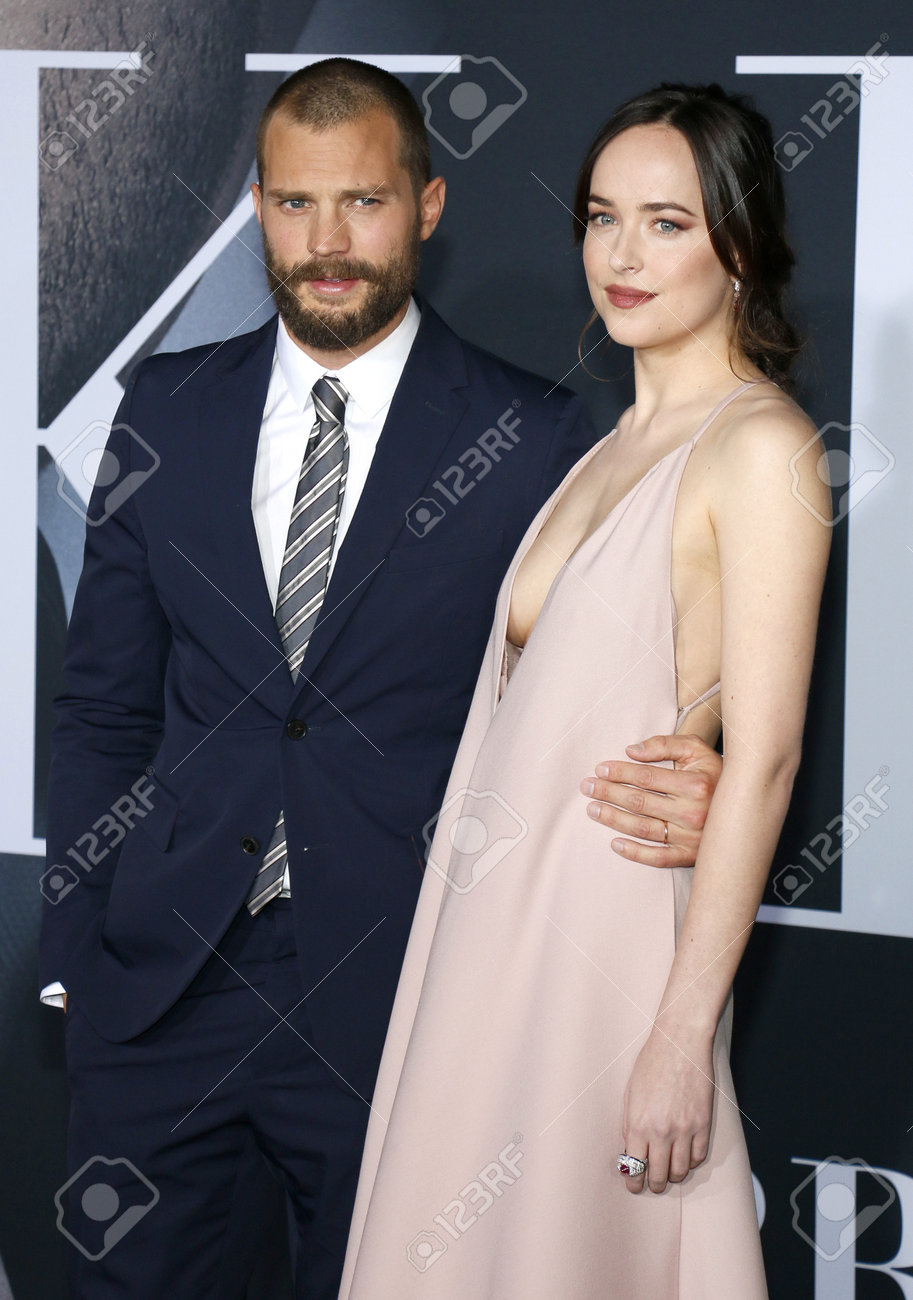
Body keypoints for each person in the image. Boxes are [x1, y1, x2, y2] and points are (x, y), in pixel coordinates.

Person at [41, 61, 724, 1299]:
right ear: (257, 206)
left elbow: (596, 704)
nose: (328, 243)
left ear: (427, 205)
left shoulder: (537, 438)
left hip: (409, 999)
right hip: (162, 995)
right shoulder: (166, 409)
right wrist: (86, 945)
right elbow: (100, 702)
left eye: (362, 202)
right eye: (296, 206)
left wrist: (694, 762)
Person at [340, 83, 832, 1298]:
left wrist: (677, 1035)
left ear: (741, 240)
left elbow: (763, 760)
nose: (621, 254)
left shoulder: (761, 447)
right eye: (602, 216)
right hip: (488, 940)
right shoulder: (607, 445)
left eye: (667, 223)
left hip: (607, 955)